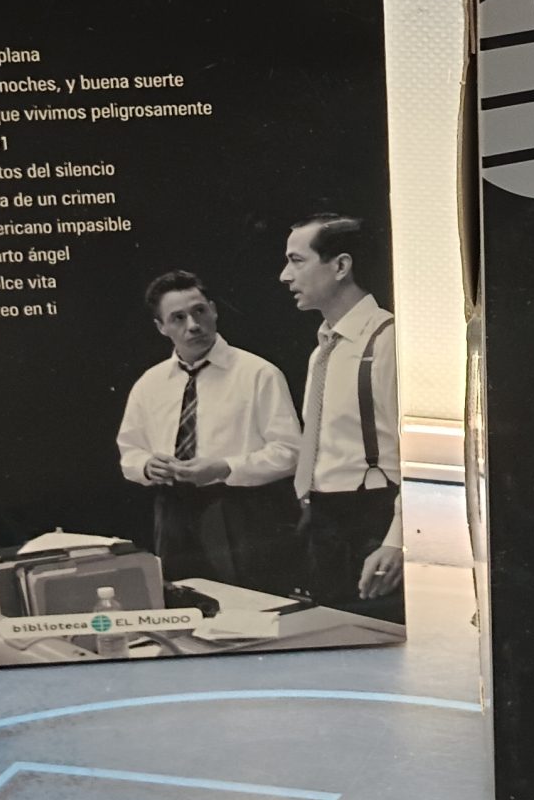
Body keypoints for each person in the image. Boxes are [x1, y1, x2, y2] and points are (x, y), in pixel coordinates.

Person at [117, 270, 301, 588]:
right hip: (172, 512)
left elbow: (290, 452)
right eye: (178, 318)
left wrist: (224, 467)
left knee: (250, 602)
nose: (193, 325)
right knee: (182, 597)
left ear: (214, 310)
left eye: (199, 311)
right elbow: (130, 451)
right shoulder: (150, 383)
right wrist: (146, 466)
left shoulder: (259, 373)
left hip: (239, 510)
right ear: (161, 327)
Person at [280, 213, 403, 618]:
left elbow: (422, 458)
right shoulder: (322, 352)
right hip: (322, 525)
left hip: (372, 528)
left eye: (297, 261)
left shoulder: (388, 343)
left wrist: (398, 540)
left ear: (340, 266)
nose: (285, 275)